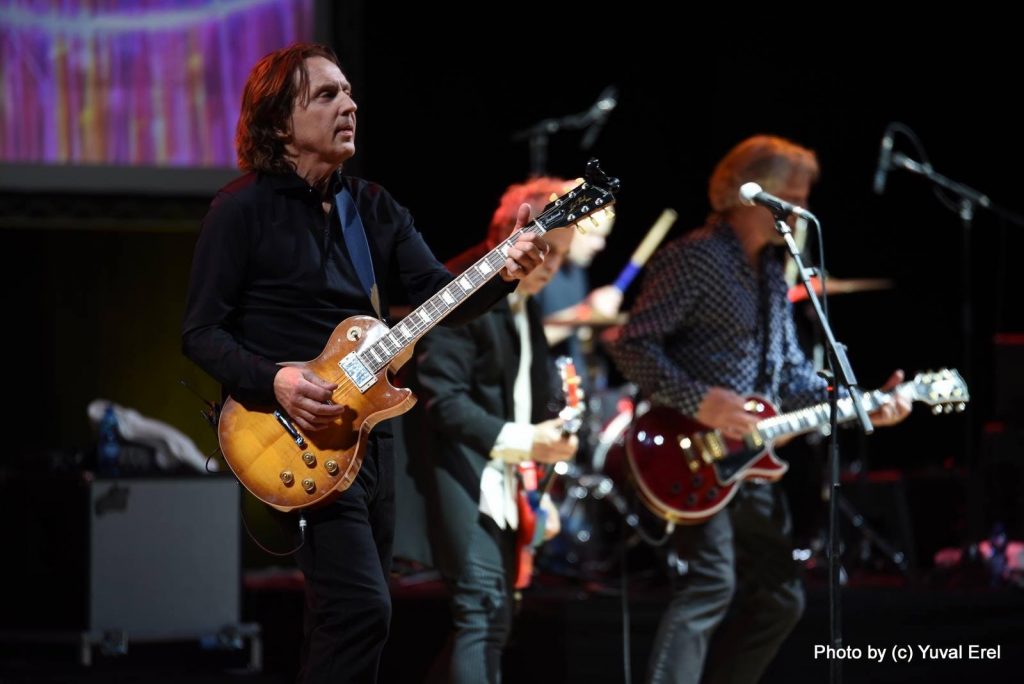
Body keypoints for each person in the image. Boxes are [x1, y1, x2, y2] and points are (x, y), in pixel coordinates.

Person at [181, 43, 548, 683]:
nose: (349, 105)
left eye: (349, 92)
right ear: (278, 122)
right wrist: (276, 379)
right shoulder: (238, 211)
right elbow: (200, 333)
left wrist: (505, 270)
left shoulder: (373, 206)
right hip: (291, 438)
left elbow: (441, 297)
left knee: (344, 619)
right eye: (327, 95)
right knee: (361, 611)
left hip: (371, 440)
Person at [608, 134, 911, 684]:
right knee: (710, 583)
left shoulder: (772, 270)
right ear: (754, 193)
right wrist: (701, 400)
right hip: (690, 449)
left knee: (780, 597)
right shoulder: (693, 257)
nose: (804, 208)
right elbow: (632, 344)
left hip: (749, 462)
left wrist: (864, 404)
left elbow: (791, 375)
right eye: (795, 195)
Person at [411, 177, 580, 684]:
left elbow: (528, 399)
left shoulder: (523, 302)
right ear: (514, 231)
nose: (551, 266)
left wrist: (550, 445)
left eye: (561, 256)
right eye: (547, 250)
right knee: (483, 610)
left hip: (497, 476)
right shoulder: (464, 288)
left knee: (494, 617)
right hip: (454, 468)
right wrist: (530, 441)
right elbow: (443, 402)